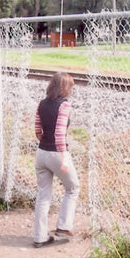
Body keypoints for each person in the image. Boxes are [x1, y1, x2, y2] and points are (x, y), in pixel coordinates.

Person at [33, 72, 80, 248]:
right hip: (56, 153)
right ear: (65, 88)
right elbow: (60, 134)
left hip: (41, 153)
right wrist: (64, 158)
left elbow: (38, 130)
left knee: (43, 195)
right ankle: (64, 226)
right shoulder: (64, 106)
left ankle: (40, 237)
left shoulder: (41, 104)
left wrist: (44, 143)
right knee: (73, 188)